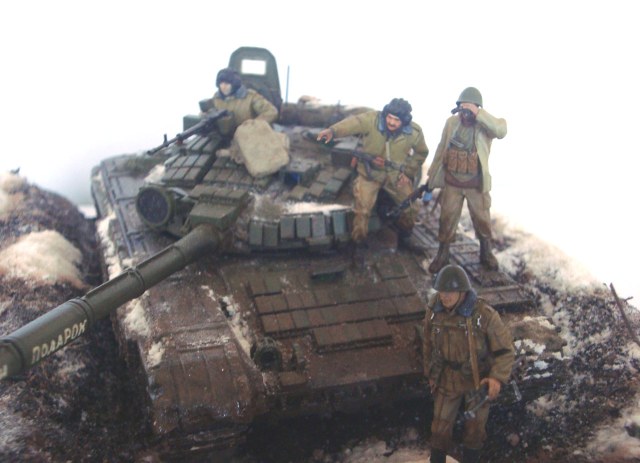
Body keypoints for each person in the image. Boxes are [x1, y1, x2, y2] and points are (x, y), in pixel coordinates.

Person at [423, 264, 514, 463]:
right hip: (447, 377)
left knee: (475, 431)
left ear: (462, 292)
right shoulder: (434, 310)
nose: (444, 296)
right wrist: (431, 373)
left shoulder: (483, 315)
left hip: (476, 379)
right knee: (439, 430)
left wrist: (496, 378)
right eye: (441, 291)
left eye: (450, 292)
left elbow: (505, 350)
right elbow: (428, 343)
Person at [317, 98, 429, 247]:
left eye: (396, 120)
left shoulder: (414, 132)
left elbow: (421, 152)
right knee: (362, 210)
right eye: (389, 117)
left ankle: (405, 236)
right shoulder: (372, 120)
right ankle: (358, 241)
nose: (391, 122)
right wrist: (333, 131)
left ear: (405, 121)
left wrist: (408, 172)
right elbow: (353, 123)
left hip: (395, 176)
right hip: (369, 173)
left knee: (411, 207)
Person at [427, 87, 507, 274]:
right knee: (446, 218)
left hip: (475, 185)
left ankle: (486, 253)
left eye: (469, 109)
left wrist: (478, 113)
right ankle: (443, 253)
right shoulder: (451, 123)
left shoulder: (484, 125)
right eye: (462, 109)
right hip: (452, 183)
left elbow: (501, 130)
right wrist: (432, 177)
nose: (465, 114)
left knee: (482, 219)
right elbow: (441, 148)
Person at [208, 68, 279, 138]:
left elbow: (271, 112)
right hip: (223, 137)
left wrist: (253, 125)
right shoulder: (217, 98)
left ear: (234, 84)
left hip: (249, 137)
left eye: (227, 84)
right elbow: (210, 114)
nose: (223, 87)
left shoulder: (250, 97)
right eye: (221, 83)